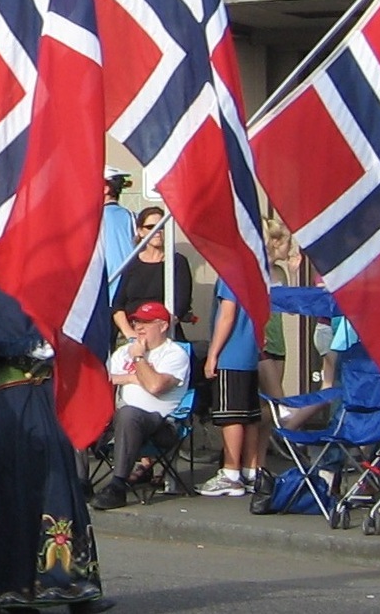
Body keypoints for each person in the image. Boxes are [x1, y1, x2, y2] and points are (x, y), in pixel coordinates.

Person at [0, 289, 108, 613]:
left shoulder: (42, 279)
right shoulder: (2, 287)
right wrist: (42, 342)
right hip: (11, 402)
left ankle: (71, 586)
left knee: (58, 489)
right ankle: (10, 590)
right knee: (11, 491)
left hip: (42, 397)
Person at [90, 301, 189, 511]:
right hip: (119, 419)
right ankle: (80, 483)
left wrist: (138, 357)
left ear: (163, 326)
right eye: (135, 322)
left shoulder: (174, 354)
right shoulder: (122, 352)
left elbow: (154, 386)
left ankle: (117, 486)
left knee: (129, 413)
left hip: (161, 424)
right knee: (77, 411)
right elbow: (104, 380)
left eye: (146, 322)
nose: (138, 327)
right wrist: (135, 377)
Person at [197, 274, 263, 498]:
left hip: (231, 354)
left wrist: (213, 354)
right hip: (249, 353)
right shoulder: (252, 273)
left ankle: (231, 474)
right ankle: (251, 471)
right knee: (250, 415)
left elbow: (227, 315)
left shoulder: (230, 275)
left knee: (231, 415)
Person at [107, 206, 191, 342]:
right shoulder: (131, 262)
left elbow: (180, 306)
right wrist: (129, 333)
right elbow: (118, 305)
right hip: (132, 336)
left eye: (162, 226)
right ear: (140, 231)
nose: (157, 231)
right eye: (150, 227)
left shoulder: (177, 262)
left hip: (165, 335)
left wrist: (153, 334)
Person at [97, 173, 136, 291]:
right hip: (129, 286)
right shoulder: (132, 216)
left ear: (106, 189)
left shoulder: (96, 217)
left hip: (106, 287)